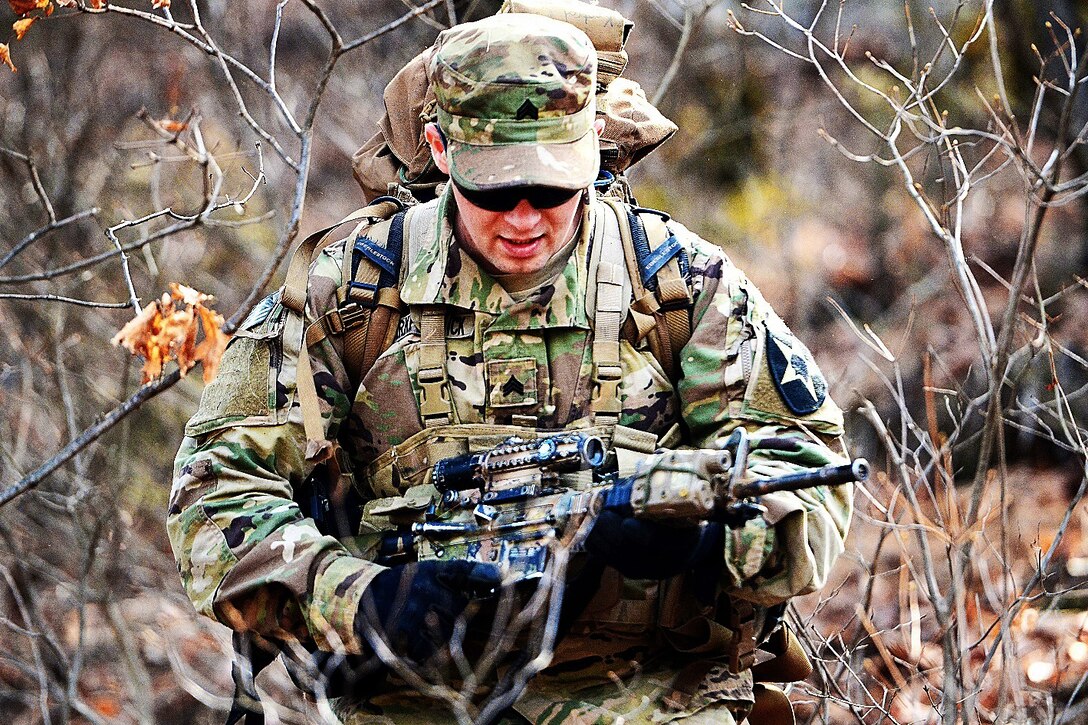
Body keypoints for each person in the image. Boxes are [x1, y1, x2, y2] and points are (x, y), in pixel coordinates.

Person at [168, 12, 852, 724]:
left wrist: (709, 544)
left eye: (552, 188)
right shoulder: (350, 294)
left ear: (591, 143)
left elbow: (811, 472)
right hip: (419, 695)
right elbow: (213, 492)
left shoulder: (679, 284)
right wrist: (361, 598)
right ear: (440, 146)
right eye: (495, 190)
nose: (524, 219)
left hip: (653, 693)